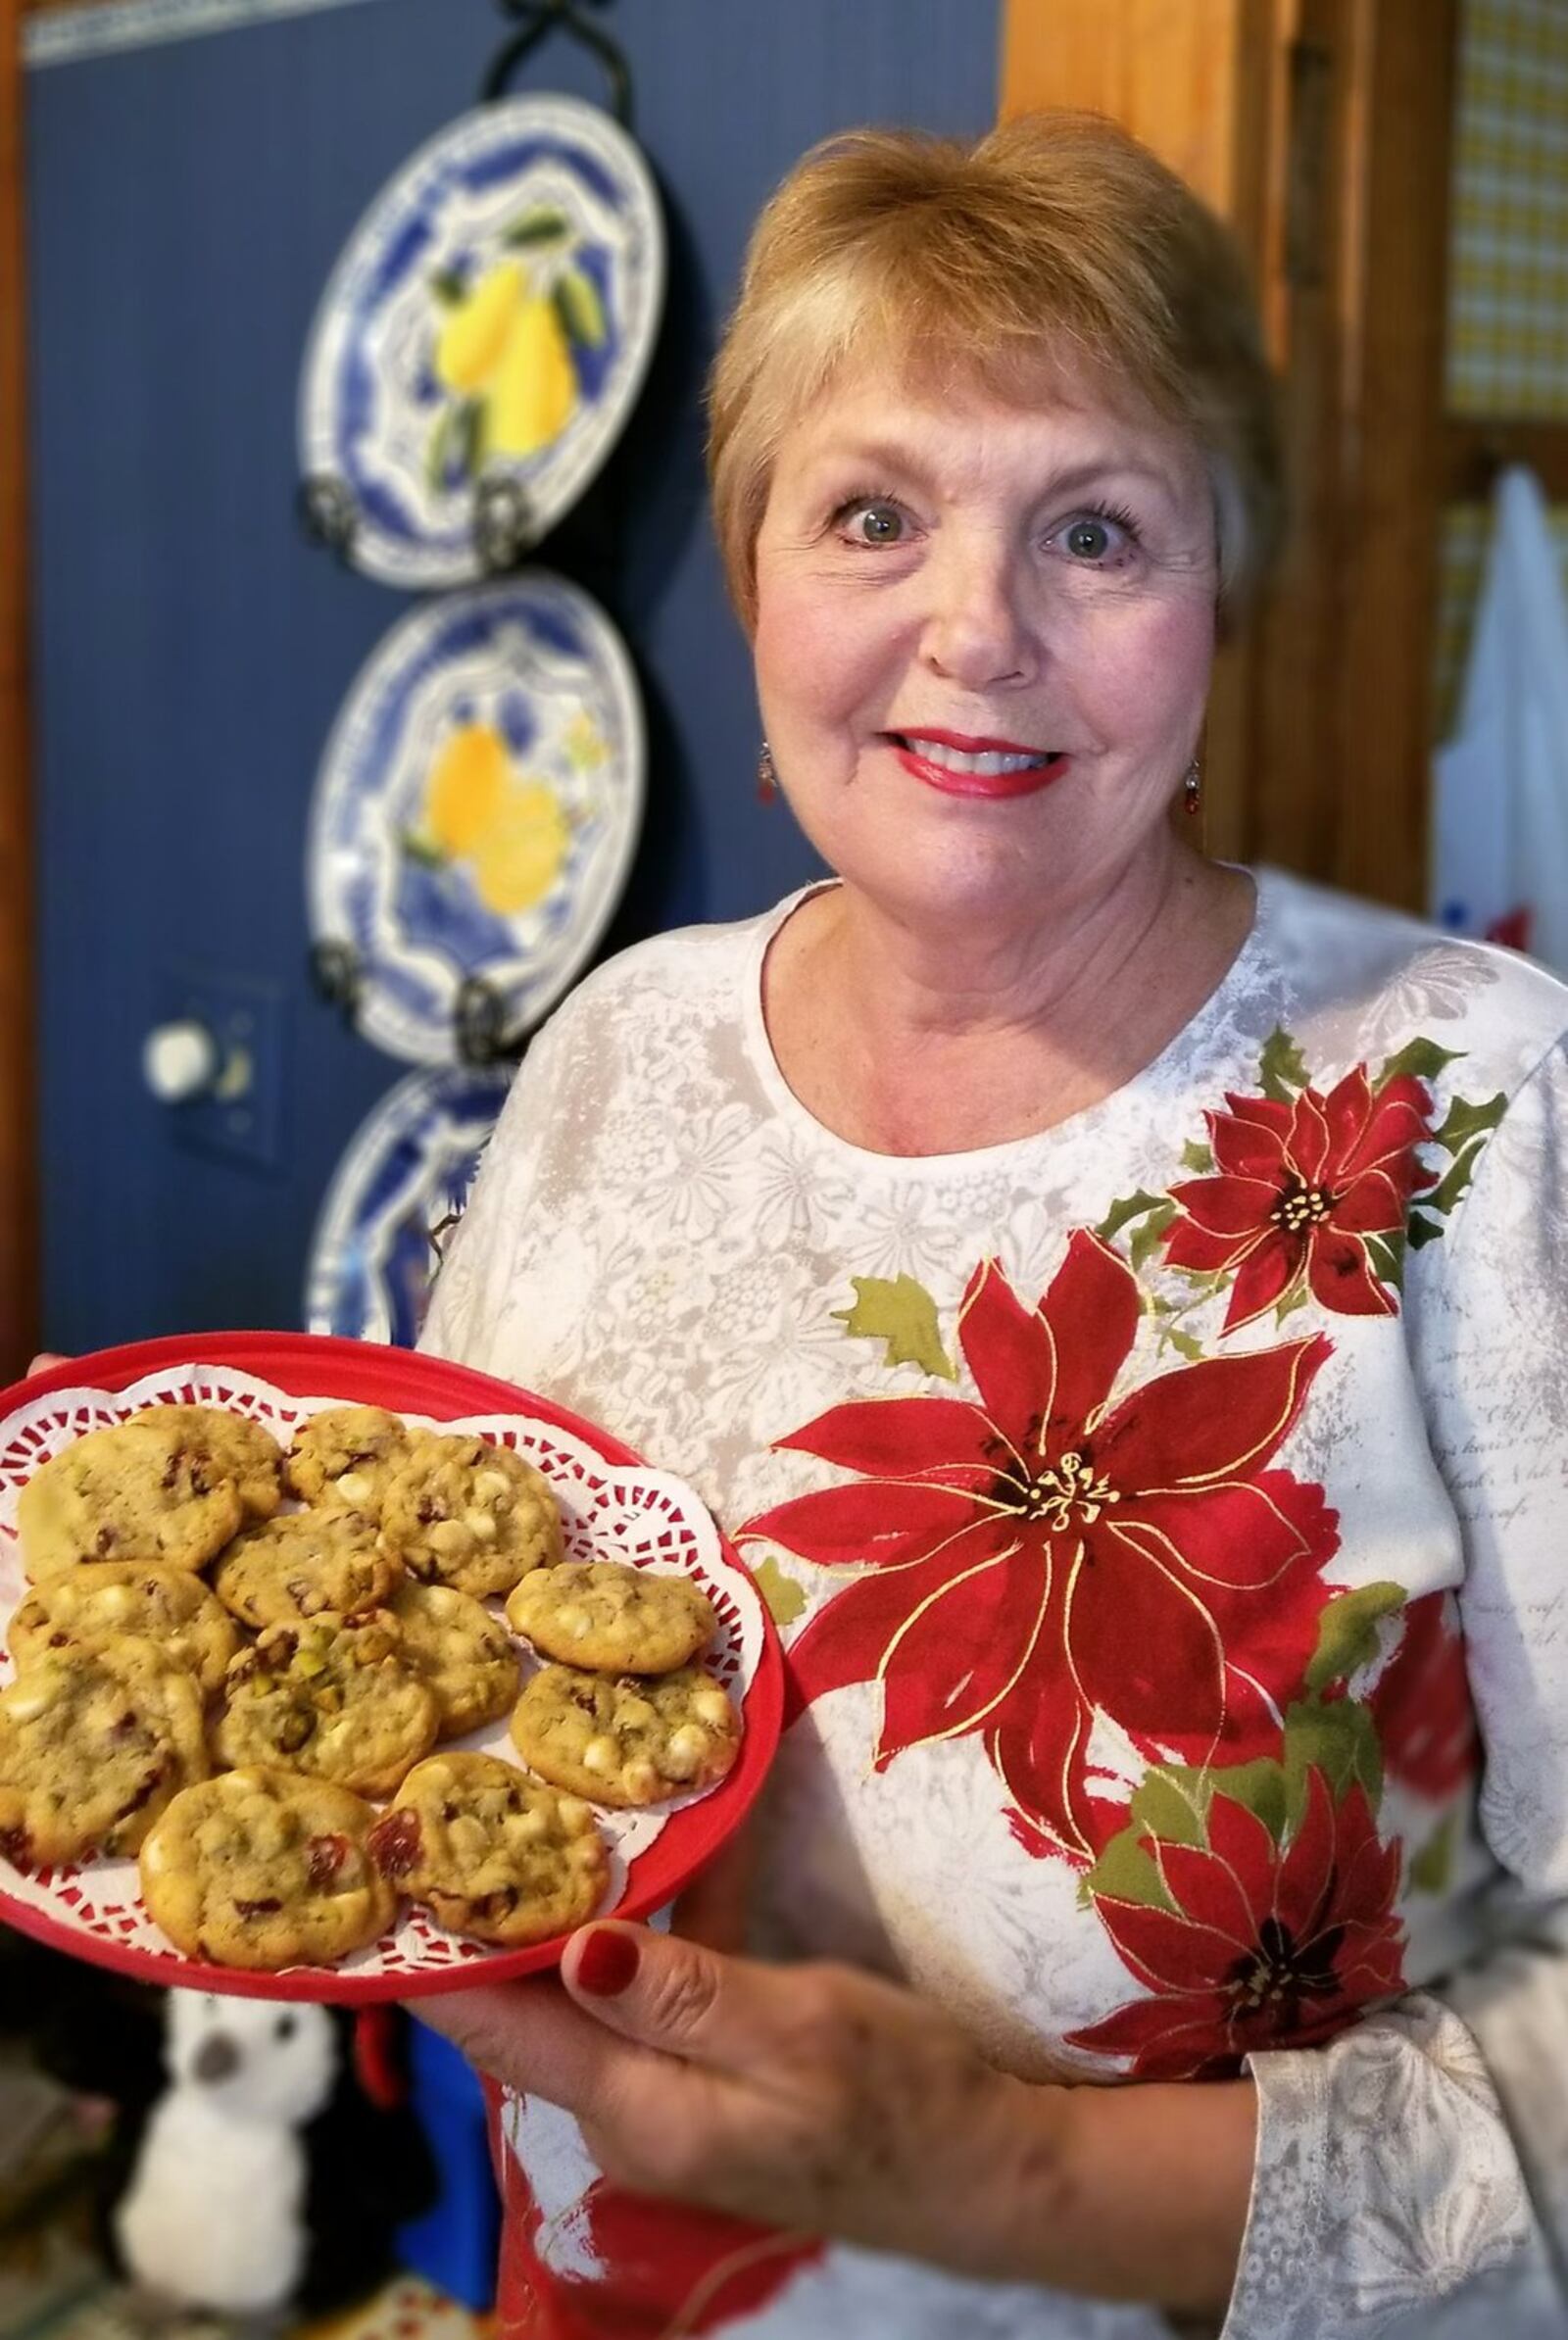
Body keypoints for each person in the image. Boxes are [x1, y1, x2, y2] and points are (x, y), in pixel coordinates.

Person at [416, 114, 1568, 2338]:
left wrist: (1001, 2169)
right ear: (751, 575)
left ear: (1217, 601)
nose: (977, 631)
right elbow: (443, 1667)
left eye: (1095, 533)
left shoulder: (1471, 1105)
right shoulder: (616, 1052)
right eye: (869, 514)